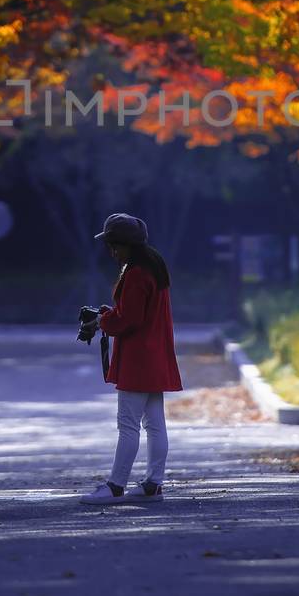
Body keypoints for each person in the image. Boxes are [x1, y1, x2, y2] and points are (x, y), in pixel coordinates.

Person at [82, 212, 182, 504]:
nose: (111, 251)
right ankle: (153, 484)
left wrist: (102, 321)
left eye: (114, 245)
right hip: (155, 358)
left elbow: (130, 319)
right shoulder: (154, 266)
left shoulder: (136, 273)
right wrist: (107, 315)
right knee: (154, 424)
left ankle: (115, 486)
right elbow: (134, 314)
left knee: (128, 425)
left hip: (138, 360)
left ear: (126, 244)